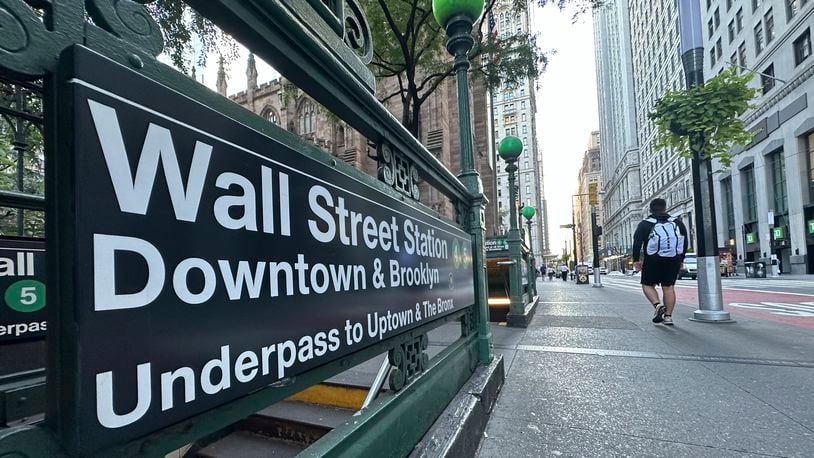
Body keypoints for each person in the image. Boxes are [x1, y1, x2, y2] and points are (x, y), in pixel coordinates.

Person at [632, 198, 688, 326]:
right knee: (668, 287)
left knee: (647, 284)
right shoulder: (677, 222)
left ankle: (657, 305)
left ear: (650, 209)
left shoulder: (645, 224)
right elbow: (684, 241)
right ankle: (668, 317)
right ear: (665, 207)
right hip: (673, 259)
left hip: (653, 259)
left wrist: (636, 259)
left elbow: (637, 243)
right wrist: (681, 258)